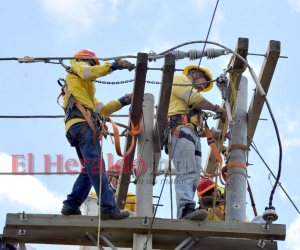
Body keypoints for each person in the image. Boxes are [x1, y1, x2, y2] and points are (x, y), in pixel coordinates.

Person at [61, 49, 134, 220]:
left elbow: (103, 109)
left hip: (77, 127)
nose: (92, 68)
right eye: (92, 63)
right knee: (96, 168)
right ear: (84, 60)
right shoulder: (78, 68)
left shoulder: (84, 92)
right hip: (82, 126)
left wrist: (123, 101)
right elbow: (89, 72)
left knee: (88, 169)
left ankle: (71, 205)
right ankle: (108, 207)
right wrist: (114, 66)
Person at [167, 65, 227, 220]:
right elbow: (193, 98)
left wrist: (219, 135)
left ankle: (188, 208)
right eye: (203, 82)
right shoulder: (179, 79)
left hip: (191, 134)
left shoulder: (195, 103)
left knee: (193, 175)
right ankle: (185, 210)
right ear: (194, 73)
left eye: (206, 85)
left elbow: (200, 129)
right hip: (180, 131)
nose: (203, 86)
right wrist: (215, 108)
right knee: (186, 171)